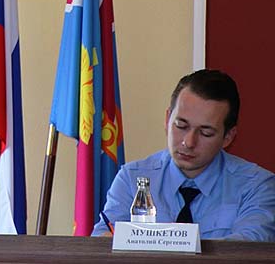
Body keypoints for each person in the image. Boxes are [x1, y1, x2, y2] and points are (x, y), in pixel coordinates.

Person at [92, 69, 275, 241]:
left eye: (206, 133)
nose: (188, 142)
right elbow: (102, 243)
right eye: (181, 126)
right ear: (167, 119)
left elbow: (246, 249)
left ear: (228, 137)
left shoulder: (256, 186)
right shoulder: (132, 178)